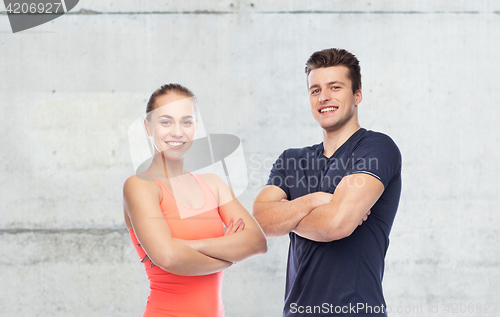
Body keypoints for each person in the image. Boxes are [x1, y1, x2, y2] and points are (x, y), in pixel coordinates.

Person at [253, 48, 402, 316]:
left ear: (357, 95)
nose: (324, 97)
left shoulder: (376, 148)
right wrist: (316, 200)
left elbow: (336, 225)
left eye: (335, 87)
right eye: (315, 90)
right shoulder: (291, 160)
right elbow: (261, 220)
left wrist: (287, 214)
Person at [123, 83, 267, 317]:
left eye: (186, 121)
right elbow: (168, 257)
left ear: (196, 127)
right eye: (166, 121)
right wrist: (227, 256)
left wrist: (191, 246)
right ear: (148, 127)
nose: (177, 131)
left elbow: (257, 242)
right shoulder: (140, 186)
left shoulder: (213, 184)